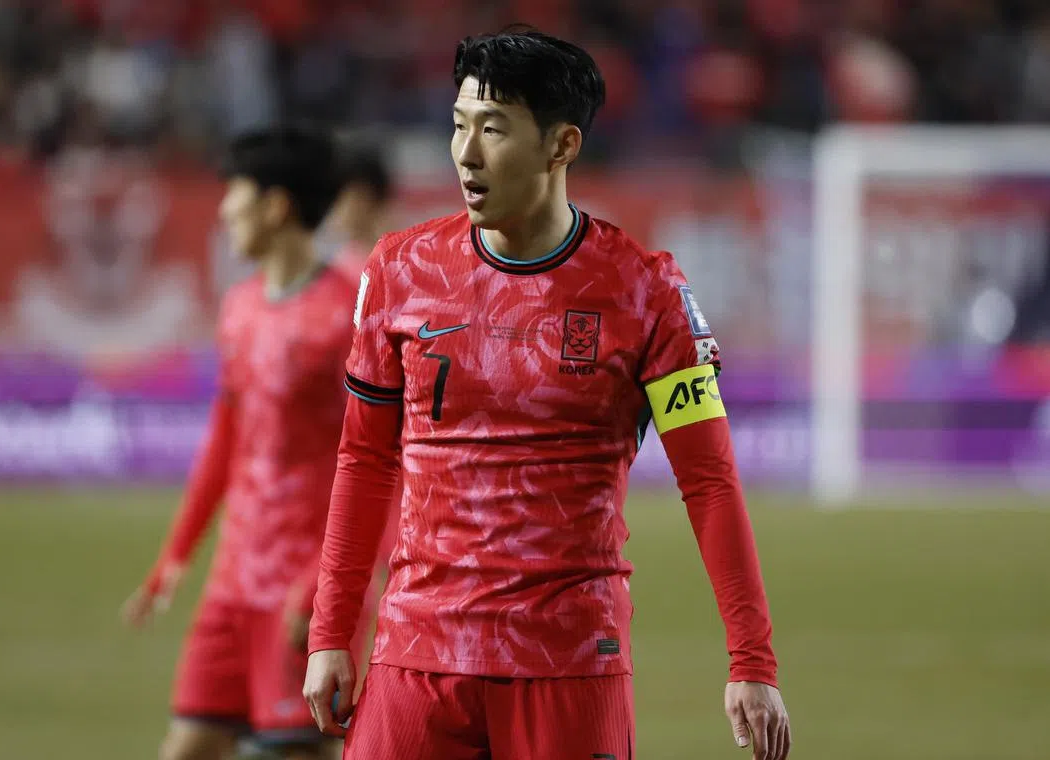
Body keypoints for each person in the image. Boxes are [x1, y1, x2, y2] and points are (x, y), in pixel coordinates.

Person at [303, 28, 793, 760]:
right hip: (416, 654)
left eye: (493, 130)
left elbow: (710, 480)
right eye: (459, 126)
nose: (466, 154)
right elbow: (364, 460)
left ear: (562, 145)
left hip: (567, 661)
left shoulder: (646, 290)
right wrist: (330, 632)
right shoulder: (399, 270)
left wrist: (751, 660)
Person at [122, 125, 354, 760]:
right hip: (231, 588)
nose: (224, 210)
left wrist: (322, 586)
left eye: (235, 193)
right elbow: (225, 440)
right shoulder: (240, 306)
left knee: (290, 753)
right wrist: (175, 556)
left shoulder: (347, 315)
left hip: (300, 595)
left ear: (276, 205)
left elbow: (383, 466)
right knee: (187, 746)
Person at [328, 137, 396, 283]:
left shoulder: (401, 258)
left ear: (365, 198)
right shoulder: (334, 263)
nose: (334, 208)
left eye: (341, 199)